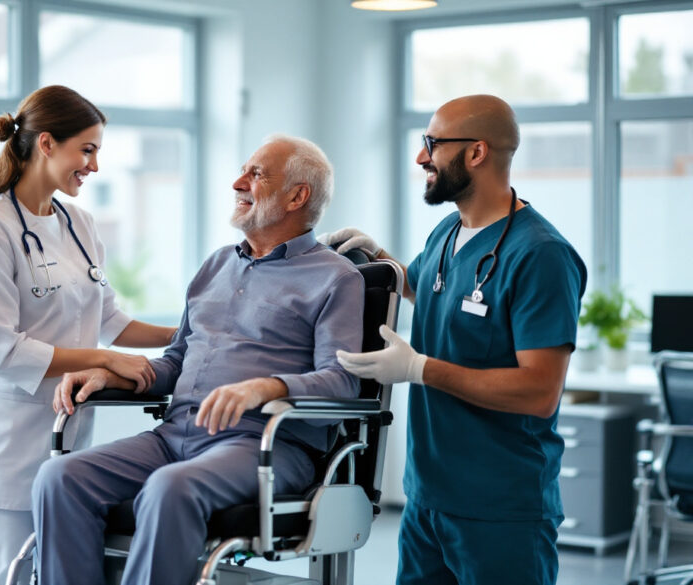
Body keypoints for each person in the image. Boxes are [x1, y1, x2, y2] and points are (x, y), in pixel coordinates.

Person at [30, 135, 365, 585]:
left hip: (263, 446)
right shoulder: (215, 265)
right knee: (59, 478)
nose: (237, 182)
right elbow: (177, 361)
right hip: (175, 435)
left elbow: (343, 380)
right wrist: (115, 372)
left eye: (256, 174)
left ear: (297, 196)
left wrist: (269, 387)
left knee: (169, 490)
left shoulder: (335, 278)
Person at [326, 95, 587, 585]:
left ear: (476, 153)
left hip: (500, 509)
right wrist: (379, 257)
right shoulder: (449, 231)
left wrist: (419, 369)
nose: (422, 157)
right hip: (427, 500)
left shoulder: (541, 255)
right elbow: (428, 287)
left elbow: (539, 391)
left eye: (432, 144)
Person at [0, 85, 177, 585]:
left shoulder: (80, 223)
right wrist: (103, 359)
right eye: (87, 150)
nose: (93, 166)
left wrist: (188, 332)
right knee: (6, 577)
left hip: (67, 441)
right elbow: (3, 350)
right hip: (4, 446)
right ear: (47, 144)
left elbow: (112, 318)